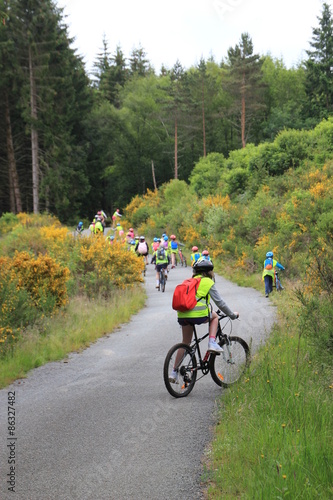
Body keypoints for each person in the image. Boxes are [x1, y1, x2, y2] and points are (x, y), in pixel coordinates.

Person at [170, 257, 239, 383]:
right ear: (209, 272)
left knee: (186, 342)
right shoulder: (207, 282)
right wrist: (232, 315)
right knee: (215, 317)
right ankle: (212, 342)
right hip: (199, 314)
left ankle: (173, 372)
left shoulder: (189, 281)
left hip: (183, 315)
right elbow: (220, 303)